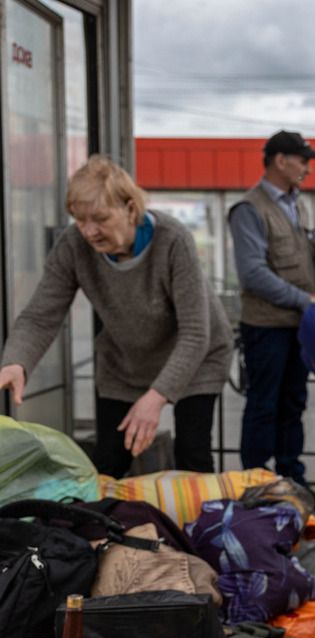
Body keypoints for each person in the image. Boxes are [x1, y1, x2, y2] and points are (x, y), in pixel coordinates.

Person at [0, 156, 232, 477]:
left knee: (192, 453)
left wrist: (155, 398)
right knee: (110, 459)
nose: (89, 231)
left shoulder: (172, 240)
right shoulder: (73, 246)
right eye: (80, 220)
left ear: (130, 209)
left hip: (197, 357)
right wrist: (16, 361)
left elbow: (195, 332)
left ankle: (203, 524)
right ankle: (108, 525)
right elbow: (41, 315)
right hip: (126, 362)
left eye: (100, 218)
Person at [228, 130, 315, 509]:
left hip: (296, 326)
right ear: (279, 160)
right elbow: (252, 273)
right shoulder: (248, 209)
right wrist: (304, 300)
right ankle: (255, 488)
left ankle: (293, 484)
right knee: (263, 406)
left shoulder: (296, 205)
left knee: (293, 403)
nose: (307, 167)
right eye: (302, 159)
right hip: (266, 326)